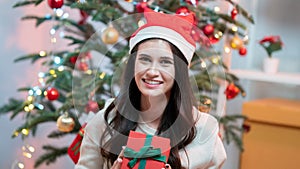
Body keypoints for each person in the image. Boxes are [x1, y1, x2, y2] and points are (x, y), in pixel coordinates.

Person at [75, 8, 226, 169]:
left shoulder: (204, 132)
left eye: (165, 62)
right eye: (145, 59)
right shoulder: (105, 121)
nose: (153, 72)